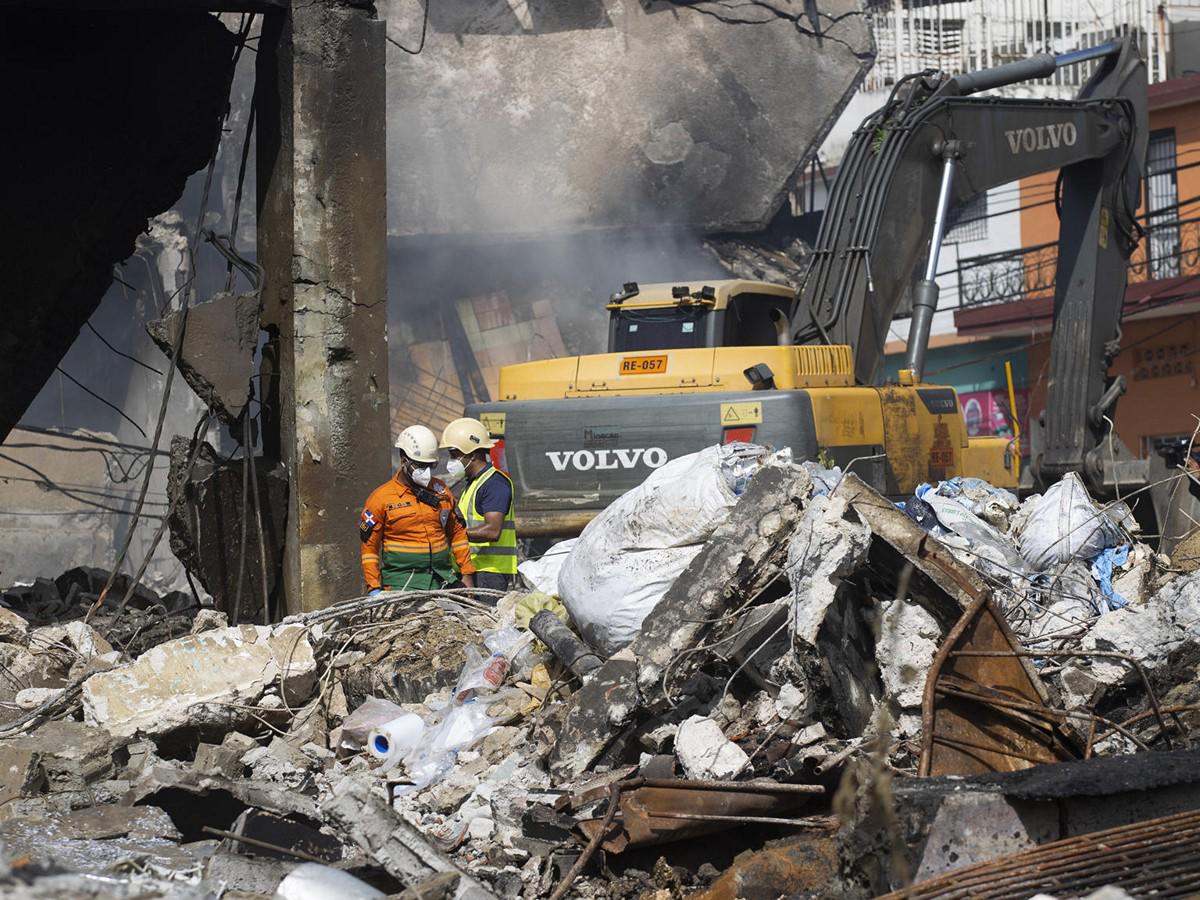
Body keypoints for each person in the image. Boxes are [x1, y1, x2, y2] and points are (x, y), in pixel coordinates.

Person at [360, 425, 476, 594]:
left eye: (431, 466)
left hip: (443, 580)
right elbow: (369, 549)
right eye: (420, 465)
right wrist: (374, 588)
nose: (426, 472)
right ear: (403, 459)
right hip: (403, 585)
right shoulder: (381, 499)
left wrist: (467, 573)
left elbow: (457, 532)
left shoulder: (441, 491)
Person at [440, 417, 517, 593]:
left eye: (454, 456)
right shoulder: (474, 484)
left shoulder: (494, 484)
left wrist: (451, 535)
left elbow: (492, 530)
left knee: (484, 619)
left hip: (490, 572)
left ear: (472, 454)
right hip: (474, 569)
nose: (451, 462)